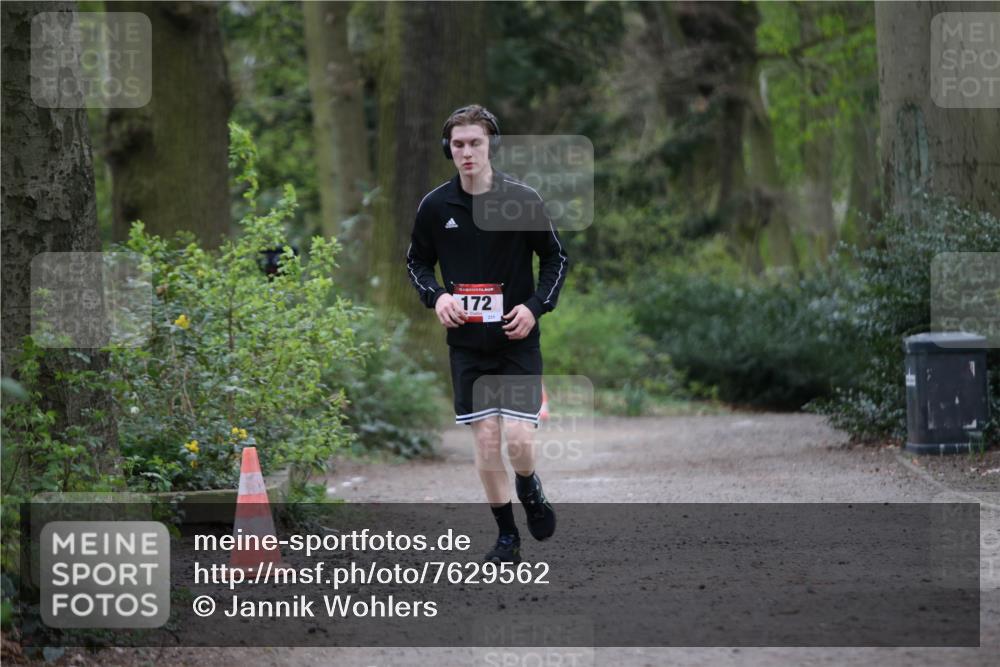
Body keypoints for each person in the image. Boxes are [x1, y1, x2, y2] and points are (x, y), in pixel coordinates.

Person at [405, 105, 569, 564]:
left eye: (475, 142)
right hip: (467, 346)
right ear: (448, 150)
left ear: (491, 145)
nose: (466, 152)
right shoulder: (436, 207)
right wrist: (437, 296)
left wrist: (535, 308)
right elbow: (415, 262)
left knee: (517, 439)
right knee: (484, 440)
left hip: (517, 340)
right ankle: (506, 537)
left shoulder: (522, 199)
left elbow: (556, 259)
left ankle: (530, 487)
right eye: (458, 144)